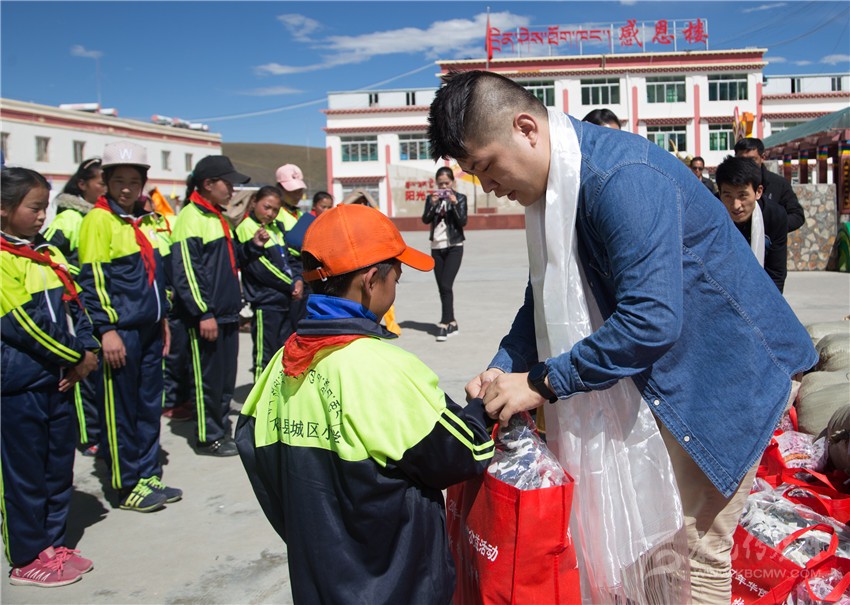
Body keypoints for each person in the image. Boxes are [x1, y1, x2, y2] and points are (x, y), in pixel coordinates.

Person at [427, 70, 817, 603]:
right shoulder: (560, 191)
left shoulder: (620, 178)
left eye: (487, 166)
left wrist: (540, 382)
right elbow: (540, 300)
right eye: (474, 176)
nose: (488, 187)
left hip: (725, 374)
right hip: (672, 369)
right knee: (654, 545)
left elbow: (650, 320)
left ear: (526, 128)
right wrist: (503, 367)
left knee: (692, 552)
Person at [235, 203, 495, 604]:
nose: (395, 288)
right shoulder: (383, 368)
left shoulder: (279, 365)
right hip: (398, 587)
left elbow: (260, 465)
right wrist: (478, 407)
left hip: (318, 584)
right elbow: (462, 454)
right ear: (371, 280)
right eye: (396, 277)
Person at [1, 167, 100, 586]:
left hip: (58, 380)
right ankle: (27, 556)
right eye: (34, 207)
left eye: (44, 207)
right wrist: (78, 357)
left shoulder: (48, 254)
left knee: (57, 468)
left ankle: (54, 545)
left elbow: (78, 307)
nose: (42, 216)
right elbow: (24, 325)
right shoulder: (4, 259)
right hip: (19, 386)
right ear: (4, 209)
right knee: (22, 475)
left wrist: (89, 347)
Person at [78, 141, 181, 513]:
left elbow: (155, 279)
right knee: (120, 409)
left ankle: (148, 472)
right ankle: (126, 484)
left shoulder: (142, 222)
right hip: (121, 333)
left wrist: (162, 317)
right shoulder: (98, 221)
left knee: (148, 405)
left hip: (150, 329)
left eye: (134, 181)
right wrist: (106, 330)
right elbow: (93, 281)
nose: (126, 188)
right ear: (105, 182)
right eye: (119, 180)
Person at [170, 155, 268, 457]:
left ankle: (220, 428)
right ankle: (208, 437)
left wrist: (252, 246)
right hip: (208, 317)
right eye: (228, 183)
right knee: (208, 379)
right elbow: (187, 272)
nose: (232, 189)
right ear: (208, 184)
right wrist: (204, 312)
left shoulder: (216, 217)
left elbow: (230, 261)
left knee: (224, 378)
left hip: (226, 314)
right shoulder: (191, 218)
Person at [43, 157, 107, 457]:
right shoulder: (68, 219)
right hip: (77, 306)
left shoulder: (99, 216)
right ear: (82, 184)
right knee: (83, 372)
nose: (105, 188)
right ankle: (89, 434)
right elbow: (48, 258)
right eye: (101, 182)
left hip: (96, 304)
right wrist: (77, 279)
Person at [236, 186, 303, 381]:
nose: (270, 213)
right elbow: (261, 268)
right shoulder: (247, 227)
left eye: (275, 210)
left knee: (283, 352)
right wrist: (291, 283)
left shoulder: (276, 228)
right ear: (254, 202)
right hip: (266, 301)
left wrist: (298, 278)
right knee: (264, 356)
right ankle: (259, 397)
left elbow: (289, 258)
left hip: (285, 299)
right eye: (267, 207)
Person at [716, 155, 789, 292]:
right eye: (728, 196)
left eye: (742, 195)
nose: (736, 205)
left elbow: (776, 273)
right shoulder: (710, 214)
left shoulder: (775, 216)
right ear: (719, 193)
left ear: (758, 192)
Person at [421, 166, 468, 342]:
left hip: (454, 246)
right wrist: (433, 204)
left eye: (446, 183)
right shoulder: (431, 198)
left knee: (446, 284)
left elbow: (462, 221)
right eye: (440, 184)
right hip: (436, 247)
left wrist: (454, 204)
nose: (443, 187)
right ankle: (452, 322)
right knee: (442, 287)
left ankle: (443, 323)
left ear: (452, 182)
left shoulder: (460, 198)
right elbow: (425, 219)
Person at [734, 137, 805, 232]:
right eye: (742, 160)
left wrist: (772, 227)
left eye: (752, 160)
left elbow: (797, 216)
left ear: (762, 157)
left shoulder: (779, 184)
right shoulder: (728, 185)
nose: (747, 165)